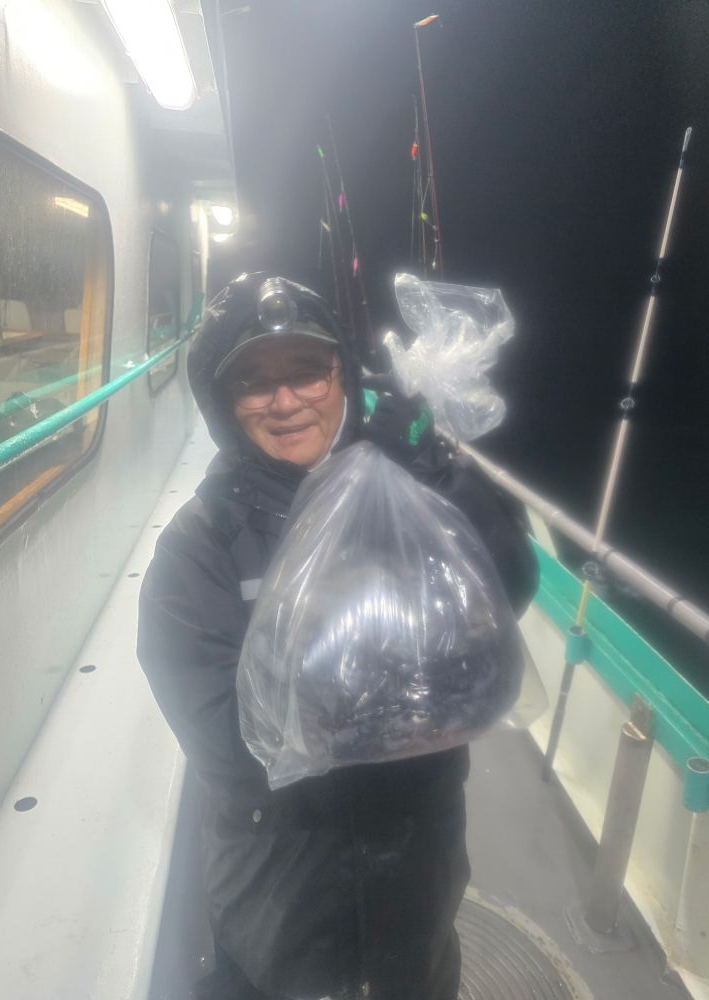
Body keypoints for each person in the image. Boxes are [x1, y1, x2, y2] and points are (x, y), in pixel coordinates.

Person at [137, 273, 538, 1000]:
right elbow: (229, 745)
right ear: (225, 405)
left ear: (343, 376)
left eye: (308, 372)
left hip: (418, 863)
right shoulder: (199, 548)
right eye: (256, 383)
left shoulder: (407, 488)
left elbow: (509, 594)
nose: (286, 401)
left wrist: (444, 476)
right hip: (284, 892)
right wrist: (408, 689)